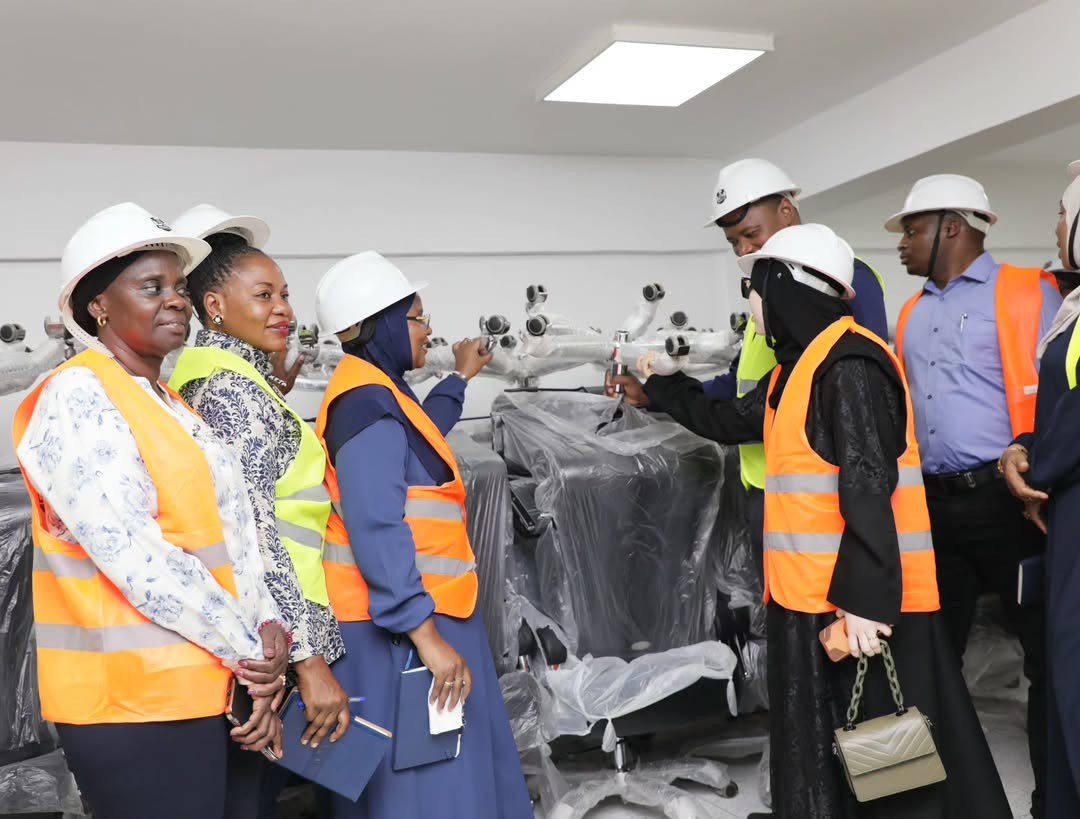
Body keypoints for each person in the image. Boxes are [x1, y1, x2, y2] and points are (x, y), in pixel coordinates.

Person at [641, 223, 1010, 818]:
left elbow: (869, 483)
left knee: (887, 765)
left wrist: (865, 601)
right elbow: (729, 421)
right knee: (830, 750)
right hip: (809, 598)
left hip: (859, 605)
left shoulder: (851, 363)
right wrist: (661, 384)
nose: (752, 304)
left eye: (757, 288)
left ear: (786, 287)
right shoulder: (796, 370)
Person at [12, 203, 291, 819]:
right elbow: (140, 561)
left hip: (213, 684)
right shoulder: (78, 396)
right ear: (98, 306)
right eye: (151, 287)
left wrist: (271, 628)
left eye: (179, 286)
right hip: (135, 704)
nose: (175, 300)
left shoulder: (166, 402)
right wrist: (252, 654)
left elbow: (233, 535)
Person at [311, 251, 532, 818]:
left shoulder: (378, 391)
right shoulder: (365, 405)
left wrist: (458, 378)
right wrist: (426, 636)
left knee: (444, 775)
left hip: (419, 614)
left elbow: (422, 438)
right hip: (399, 628)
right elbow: (376, 525)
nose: (427, 329)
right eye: (416, 317)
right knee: (424, 787)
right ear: (380, 323)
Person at [608, 158, 888, 585]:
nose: (743, 250)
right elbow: (741, 383)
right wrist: (654, 394)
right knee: (780, 603)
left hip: (823, 489)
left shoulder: (842, 276)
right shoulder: (772, 287)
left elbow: (857, 391)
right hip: (767, 482)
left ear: (786, 211)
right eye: (733, 241)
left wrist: (676, 393)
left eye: (751, 234)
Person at [166, 205, 349, 813]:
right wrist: (307, 659)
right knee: (249, 797)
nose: (284, 309)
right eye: (265, 295)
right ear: (214, 305)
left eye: (285, 294)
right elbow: (256, 533)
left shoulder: (222, 377)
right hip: (273, 641)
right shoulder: (229, 391)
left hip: (269, 635)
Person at [889, 173, 1058, 818]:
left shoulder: (1031, 291)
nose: (902, 242)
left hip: (1012, 502)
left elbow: (1059, 396)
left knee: (1046, 655)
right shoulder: (911, 312)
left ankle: (1053, 800)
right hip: (930, 505)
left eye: (912, 229)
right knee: (920, 655)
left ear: (952, 227)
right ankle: (912, 803)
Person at [999, 162, 1080, 816]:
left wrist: (1035, 467)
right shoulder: (1074, 309)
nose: (1054, 227)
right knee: (1062, 671)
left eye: (1061, 213)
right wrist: (1022, 446)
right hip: (1066, 502)